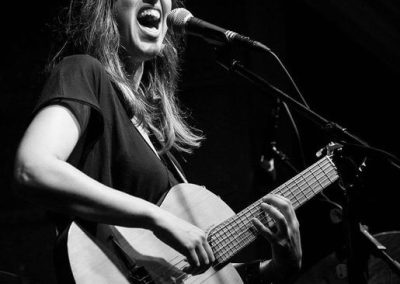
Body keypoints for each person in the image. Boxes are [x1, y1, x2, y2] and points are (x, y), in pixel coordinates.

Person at [13, 0, 302, 283]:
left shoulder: (152, 137)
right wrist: (158, 219)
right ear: (106, 7)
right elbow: (33, 167)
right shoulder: (83, 71)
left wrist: (280, 267)